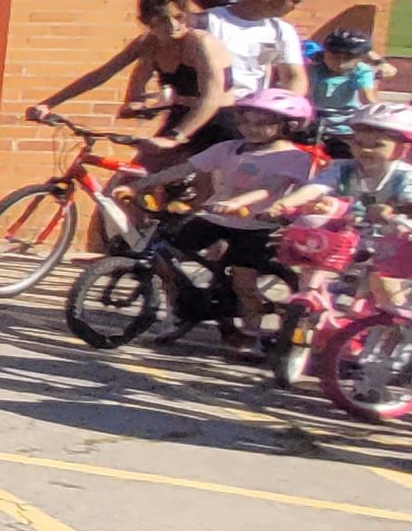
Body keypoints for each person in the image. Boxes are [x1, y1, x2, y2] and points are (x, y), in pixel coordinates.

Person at [118, 85, 326, 348]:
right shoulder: (227, 149)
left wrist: (242, 203)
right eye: (246, 121)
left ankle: (252, 334)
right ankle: (177, 309)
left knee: (243, 282)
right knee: (163, 253)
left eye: (262, 124)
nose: (251, 129)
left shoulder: (293, 158)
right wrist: (139, 184)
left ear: (288, 126)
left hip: (255, 226)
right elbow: (183, 169)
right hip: (216, 218)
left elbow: (276, 191)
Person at [269, 104, 412, 381]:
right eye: (359, 143)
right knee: (312, 264)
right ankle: (312, 322)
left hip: (392, 237)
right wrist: (287, 202)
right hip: (348, 236)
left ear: (399, 149)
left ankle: (390, 335)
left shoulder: (403, 176)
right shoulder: (343, 169)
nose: (365, 151)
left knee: (383, 288)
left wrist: (393, 212)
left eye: (377, 145)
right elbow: (318, 187)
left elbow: (408, 202)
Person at [27, 0, 222, 160]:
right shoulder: (148, 43)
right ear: (146, 22)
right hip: (179, 117)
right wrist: (48, 103)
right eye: (163, 20)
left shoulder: (199, 43)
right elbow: (100, 75)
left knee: (202, 182)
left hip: (213, 121)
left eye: (179, 17)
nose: (173, 26)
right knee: (132, 182)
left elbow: (212, 97)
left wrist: (175, 138)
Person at [202, 0, 318, 115]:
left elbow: (293, 76)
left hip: (252, 113)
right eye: (293, 1)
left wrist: (284, 109)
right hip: (209, 109)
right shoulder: (209, 21)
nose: (296, 7)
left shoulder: (280, 31)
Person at [309, 25, 386, 155]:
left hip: (345, 129)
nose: (340, 61)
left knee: (345, 154)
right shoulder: (315, 69)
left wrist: (377, 117)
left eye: (348, 57)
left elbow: (368, 98)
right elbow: (304, 93)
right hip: (314, 125)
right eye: (334, 55)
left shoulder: (361, 71)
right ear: (325, 53)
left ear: (360, 58)